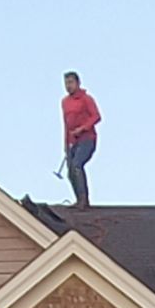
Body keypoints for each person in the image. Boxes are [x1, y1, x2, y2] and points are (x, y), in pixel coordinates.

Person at [61, 72, 101, 208]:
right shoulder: (65, 102)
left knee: (77, 165)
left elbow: (96, 116)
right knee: (70, 171)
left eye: (71, 82)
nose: (68, 86)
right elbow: (65, 124)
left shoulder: (86, 99)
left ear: (78, 83)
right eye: (66, 83)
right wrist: (66, 144)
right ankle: (78, 199)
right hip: (73, 142)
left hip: (87, 139)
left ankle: (84, 200)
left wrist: (83, 128)